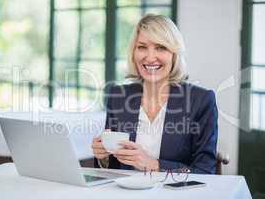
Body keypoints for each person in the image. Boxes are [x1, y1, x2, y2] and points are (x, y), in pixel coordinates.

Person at [92, 14, 218, 174]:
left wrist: (154, 165)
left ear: (174, 54)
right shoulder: (118, 96)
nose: (150, 57)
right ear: (133, 53)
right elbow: (114, 169)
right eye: (142, 47)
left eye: (160, 47)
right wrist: (103, 157)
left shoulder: (201, 100)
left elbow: (205, 170)